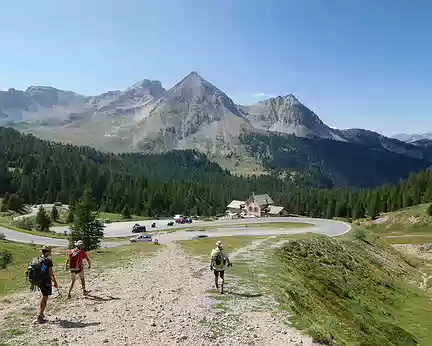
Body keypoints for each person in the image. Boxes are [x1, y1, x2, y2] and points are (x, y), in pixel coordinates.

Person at [37, 245, 59, 323]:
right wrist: (55, 282)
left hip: (39, 281)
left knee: (44, 296)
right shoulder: (48, 261)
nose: (50, 253)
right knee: (45, 298)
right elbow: (50, 274)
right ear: (47, 252)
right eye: (49, 251)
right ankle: (40, 315)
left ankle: (41, 314)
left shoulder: (38, 258)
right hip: (46, 281)